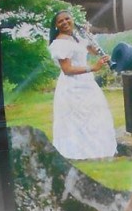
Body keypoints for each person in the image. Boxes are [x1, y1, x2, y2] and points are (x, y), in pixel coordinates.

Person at [48, 10, 117, 160]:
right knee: (77, 118)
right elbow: (67, 70)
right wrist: (93, 68)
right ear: (56, 26)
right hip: (71, 86)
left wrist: (88, 35)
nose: (65, 22)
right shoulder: (59, 43)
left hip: (87, 83)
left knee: (95, 114)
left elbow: (93, 51)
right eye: (60, 21)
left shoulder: (76, 38)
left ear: (72, 19)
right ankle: (78, 154)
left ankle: (98, 151)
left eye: (67, 19)